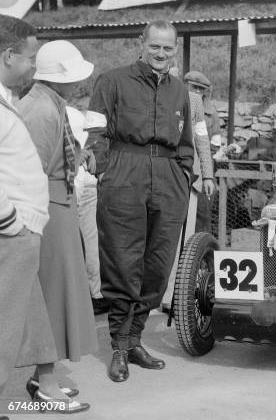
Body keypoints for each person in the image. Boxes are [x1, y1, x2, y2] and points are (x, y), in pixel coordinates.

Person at [84, 20, 194, 383]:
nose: (161, 54)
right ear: (141, 43)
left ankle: (135, 340)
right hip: (124, 173)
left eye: (168, 48)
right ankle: (118, 346)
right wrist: (103, 169)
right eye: (155, 46)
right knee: (122, 259)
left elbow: (186, 140)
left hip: (168, 177)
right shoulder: (112, 80)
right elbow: (95, 129)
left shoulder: (180, 90)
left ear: (175, 50)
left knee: (157, 263)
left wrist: (184, 173)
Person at [16, 40, 95, 413]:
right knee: (49, 295)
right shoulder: (41, 109)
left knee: (55, 292)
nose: (80, 84)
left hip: (55, 203)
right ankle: (45, 381)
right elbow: (29, 169)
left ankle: (43, 375)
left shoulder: (47, 102)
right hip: (45, 208)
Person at [0, 14, 61, 414]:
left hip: (21, 229)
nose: (34, 66)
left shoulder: (5, 100)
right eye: (30, 57)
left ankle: (45, 382)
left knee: (23, 314)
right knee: (4, 327)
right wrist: (9, 220)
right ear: (8, 56)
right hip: (12, 231)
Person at [68, 106, 109, 315]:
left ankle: (74, 295)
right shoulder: (77, 114)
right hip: (89, 179)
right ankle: (97, 294)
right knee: (91, 240)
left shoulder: (51, 111)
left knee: (70, 243)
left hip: (71, 180)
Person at [183, 72, 216, 233]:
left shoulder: (207, 110)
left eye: (200, 89)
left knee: (202, 216)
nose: (196, 91)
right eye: (193, 87)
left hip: (197, 170)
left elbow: (204, 142)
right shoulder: (176, 100)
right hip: (176, 169)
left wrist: (207, 175)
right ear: (185, 85)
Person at [184, 70, 222, 137]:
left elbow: (215, 142)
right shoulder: (176, 106)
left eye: (201, 88)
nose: (197, 91)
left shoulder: (212, 113)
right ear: (186, 86)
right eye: (194, 87)